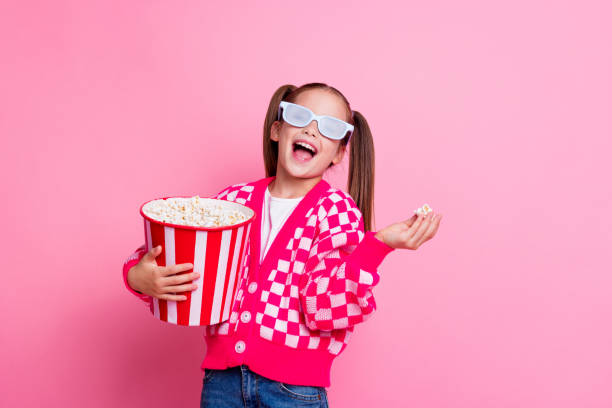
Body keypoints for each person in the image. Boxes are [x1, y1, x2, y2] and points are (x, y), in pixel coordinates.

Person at [122, 82, 442, 407]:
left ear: (340, 153)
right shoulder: (233, 202)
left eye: (330, 127)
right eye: (301, 116)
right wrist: (138, 277)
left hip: (293, 392)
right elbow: (178, 251)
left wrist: (379, 245)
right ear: (277, 129)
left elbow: (324, 308)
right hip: (221, 382)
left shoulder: (336, 212)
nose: (313, 130)